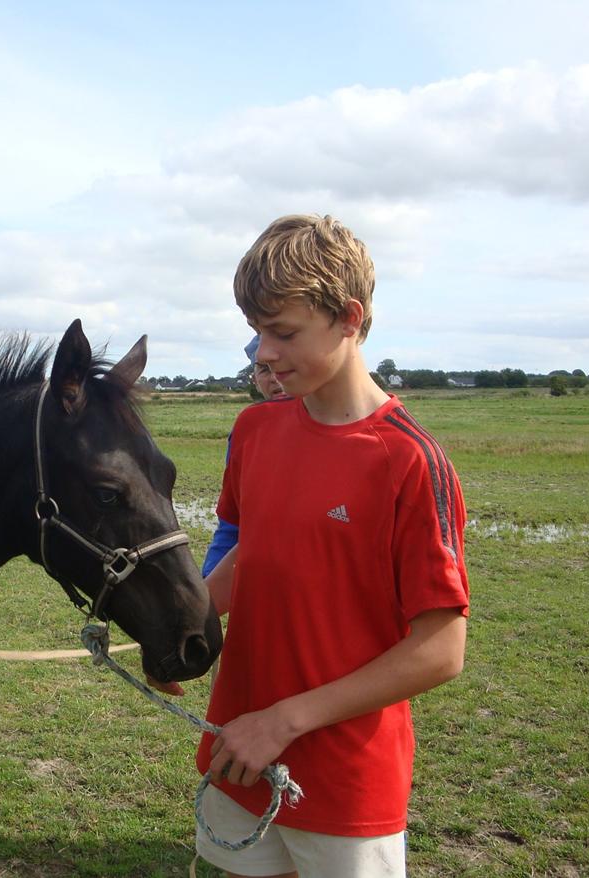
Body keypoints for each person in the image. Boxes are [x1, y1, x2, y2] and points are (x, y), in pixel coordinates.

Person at [195, 214, 469, 878]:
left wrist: (283, 721)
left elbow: (440, 650)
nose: (263, 352)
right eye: (257, 332)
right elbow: (254, 553)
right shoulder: (256, 430)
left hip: (344, 787)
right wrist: (186, 620)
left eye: (283, 332)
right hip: (237, 760)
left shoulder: (409, 461)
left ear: (349, 318)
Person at [202, 335, 286, 578]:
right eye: (264, 369)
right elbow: (232, 521)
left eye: (282, 366)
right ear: (255, 379)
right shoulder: (248, 430)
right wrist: (206, 582)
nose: (275, 379)